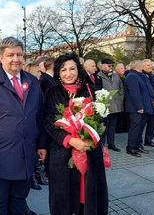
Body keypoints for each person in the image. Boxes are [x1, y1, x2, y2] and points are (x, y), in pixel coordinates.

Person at [0, 37, 47, 215]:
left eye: (19, 55)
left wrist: (41, 144)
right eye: (10, 55)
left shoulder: (32, 81)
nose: (16, 59)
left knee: (19, 201)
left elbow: (38, 115)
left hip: (25, 154)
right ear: (2, 57)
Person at [43, 53, 108, 215]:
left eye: (72, 69)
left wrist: (90, 139)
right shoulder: (52, 92)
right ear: (58, 72)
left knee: (88, 198)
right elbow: (49, 123)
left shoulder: (91, 90)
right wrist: (71, 140)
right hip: (62, 155)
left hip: (89, 154)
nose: (68, 73)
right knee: (64, 200)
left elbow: (102, 120)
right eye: (63, 70)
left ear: (78, 70)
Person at [124, 60, 153, 157]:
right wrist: (139, 107)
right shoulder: (132, 76)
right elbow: (134, 93)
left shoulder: (138, 75)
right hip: (136, 109)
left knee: (140, 128)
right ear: (138, 66)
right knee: (135, 128)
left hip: (142, 107)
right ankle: (131, 147)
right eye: (142, 65)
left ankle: (138, 145)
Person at [97, 58, 124, 152]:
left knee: (112, 127)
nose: (111, 67)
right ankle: (101, 145)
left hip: (116, 105)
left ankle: (111, 144)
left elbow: (121, 87)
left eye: (112, 66)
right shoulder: (98, 76)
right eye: (109, 66)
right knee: (103, 127)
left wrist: (121, 98)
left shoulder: (115, 76)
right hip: (104, 107)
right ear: (102, 66)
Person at [142, 59, 154, 147]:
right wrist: (151, 100)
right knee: (141, 125)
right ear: (142, 66)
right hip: (146, 105)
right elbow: (143, 92)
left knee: (153, 124)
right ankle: (137, 143)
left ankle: (149, 140)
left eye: (151, 65)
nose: (150, 66)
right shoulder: (142, 77)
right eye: (148, 65)